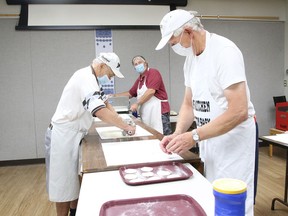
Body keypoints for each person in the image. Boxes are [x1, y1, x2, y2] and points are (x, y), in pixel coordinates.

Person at [156, 9, 257, 215]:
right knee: (212, 194)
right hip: (209, 138)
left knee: (232, 201)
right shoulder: (191, 59)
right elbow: (188, 104)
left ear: (188, 31)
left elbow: (238, 111)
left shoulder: (224, 51)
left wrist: (193, 136)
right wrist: (178, 133)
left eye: (174, 42)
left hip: (233, 141)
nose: (174, 47)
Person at [44, 52, 136, 216]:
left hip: (73, 135)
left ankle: (74, 212)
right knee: (63, 185)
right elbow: (100, 111)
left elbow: (105, 104)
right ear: (101, 65)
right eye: (110, 74)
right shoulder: (85, 77)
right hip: (63, 136)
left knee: (72, 181)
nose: (109, 79)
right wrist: (125, 126)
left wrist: (122, 121)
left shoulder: (93, 80)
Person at [113, 55, 172, 135]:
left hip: (159, 112)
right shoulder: (140, 79)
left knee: (163, 138)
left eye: (140, 62)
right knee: (151, 137)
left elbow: (151, 91)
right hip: (148, 115)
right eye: (135, 64)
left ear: (146, 63)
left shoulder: (153, 72)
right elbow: (130, 93)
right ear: (134, 68)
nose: (138, 65)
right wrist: (113, 96)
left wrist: (137, 104)